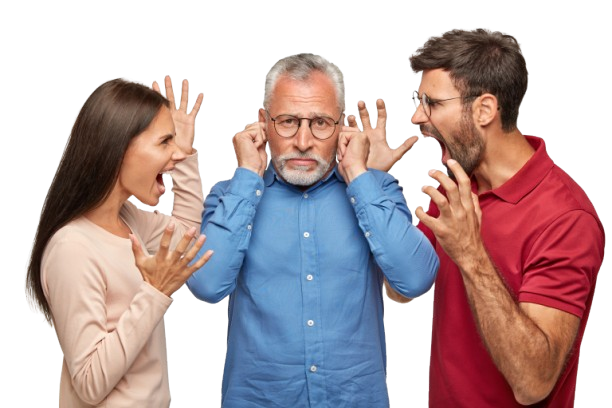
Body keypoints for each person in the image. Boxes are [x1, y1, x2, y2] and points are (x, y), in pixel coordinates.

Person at [186, 52, 439, 407]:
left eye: (321, 123)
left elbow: (415, 279)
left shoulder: (377, 189)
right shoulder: (230, 194)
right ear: (262, 122)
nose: (303, 141)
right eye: (287, 121)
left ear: (342, 126)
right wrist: (246, 177)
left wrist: (359, 178)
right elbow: (206, 285)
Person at [403, 27, 605, 407]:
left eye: (432, 103)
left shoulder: (566, 219)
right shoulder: (457, 186)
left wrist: (471, 254)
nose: (417, 116)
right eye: (419, 99)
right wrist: (371, 185)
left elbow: (533, 383)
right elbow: (401, 289)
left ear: (484, 110)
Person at [23, 75, 213, 407]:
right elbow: (90, 384)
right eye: (163, 142)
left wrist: (182, 156)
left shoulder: (126, 218)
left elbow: (182, 238)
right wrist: (154, 292)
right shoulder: (72, 248)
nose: (173, 156)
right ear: (119, 147)